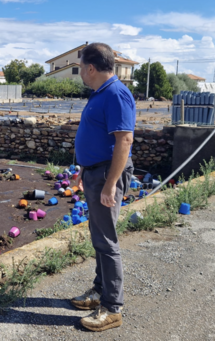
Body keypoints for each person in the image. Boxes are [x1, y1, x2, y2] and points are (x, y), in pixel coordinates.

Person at [71, 43, 136, 332]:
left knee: (106, 241)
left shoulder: (116, 94)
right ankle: (99, 291)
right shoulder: (100, 93)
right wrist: (84, 167)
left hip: (106, 176)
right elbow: (100, 137)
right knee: (98, 235)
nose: (81, 73)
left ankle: (112, 308)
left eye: (81, 67)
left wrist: (110, 184)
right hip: (95, 173)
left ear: (92, 68)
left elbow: (124, 140)